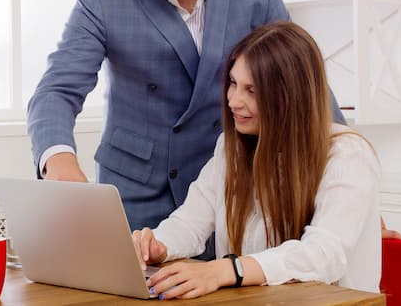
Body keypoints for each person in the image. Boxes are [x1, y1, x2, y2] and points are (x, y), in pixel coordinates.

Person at [26, 0, 346, 233]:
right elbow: (56, 90)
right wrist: (59, 161)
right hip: (136, 200)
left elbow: (303, 83)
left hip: (233, 194)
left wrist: (347, 191)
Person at [132, 21, 381, 299]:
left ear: (291, 96)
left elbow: (323, 253)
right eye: (234, 84)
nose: (234, 101)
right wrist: (158, 244)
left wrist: (226, 270)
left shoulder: (347, 155)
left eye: (251, 90)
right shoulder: (232, 148)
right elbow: (190, 222)